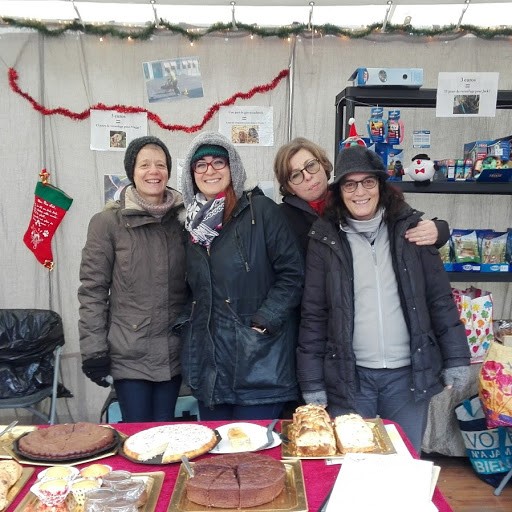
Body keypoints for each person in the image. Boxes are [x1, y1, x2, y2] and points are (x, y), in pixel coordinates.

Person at [297, 145, 471, 453]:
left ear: (381, 186)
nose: (359, 192)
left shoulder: (412, 232)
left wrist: (456, 358)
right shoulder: (325, 239)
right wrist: (312, 382)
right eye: (350, 184)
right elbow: (314, 315)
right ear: (340, 191)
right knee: (351, 468)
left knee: (403, 463)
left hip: (407, 378)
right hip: (350, 378)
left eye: (368, 182)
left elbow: (439, 300)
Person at [180, 131, 304, 421]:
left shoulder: (260, 211)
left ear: (232, 167)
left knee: (255, 460)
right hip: (209, 365)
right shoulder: (189, 227)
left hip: (258, 360)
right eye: (201, 165)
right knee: (215, 460)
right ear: (192, 174)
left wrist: (264, 322)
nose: (210, 170)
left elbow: (292, 275)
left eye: (218, 162)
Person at [78, 136, 187, 422]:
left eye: (161, 165)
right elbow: (93, 290)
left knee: (166, 433)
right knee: (136, 435)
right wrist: (93, 350)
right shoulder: (107, 223)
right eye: (145, 164)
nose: (154, 171)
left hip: (173, 352)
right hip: (129, 351)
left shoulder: (184, 221)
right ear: (132, 172)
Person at [273, 137, 449, 257]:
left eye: (311, 165)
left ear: (324, 165)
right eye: (296, 175)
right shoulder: (279, 219)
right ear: (289, 186)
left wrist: (439, 229)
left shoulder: (353, 196)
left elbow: (403, 219)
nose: (308, 177)